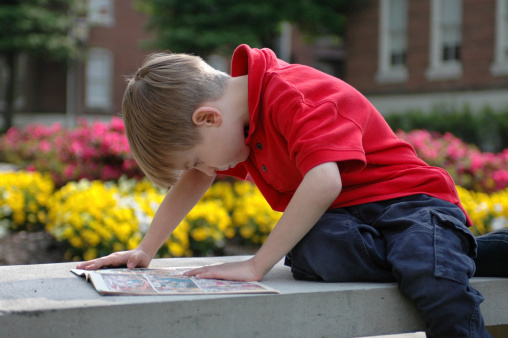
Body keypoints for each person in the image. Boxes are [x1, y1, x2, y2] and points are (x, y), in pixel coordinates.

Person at [77, 44, 507, 337]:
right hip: (348, 220)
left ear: (208, 118)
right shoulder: (236, 126)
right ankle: (453, 251)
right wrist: (145, 251)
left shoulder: (291, 93)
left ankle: (444, 252)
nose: (208, 170)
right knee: (308, 254)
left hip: (409, 204)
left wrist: (256, 265)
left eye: (197, 159)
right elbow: (196, 179)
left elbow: (325, 179)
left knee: (432, 278)